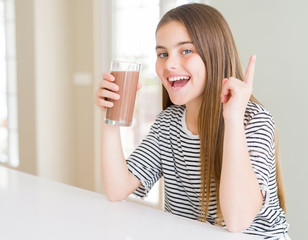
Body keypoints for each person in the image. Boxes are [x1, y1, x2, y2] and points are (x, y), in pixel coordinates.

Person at [95, 3, 289, 240]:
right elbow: (117, 188)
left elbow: (238, 221)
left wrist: (233, 119)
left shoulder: (253, 120)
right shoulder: (168, 124)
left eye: (186, 51)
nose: (169, 64)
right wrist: (110, 114)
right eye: (162, 54)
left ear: (214, 54)